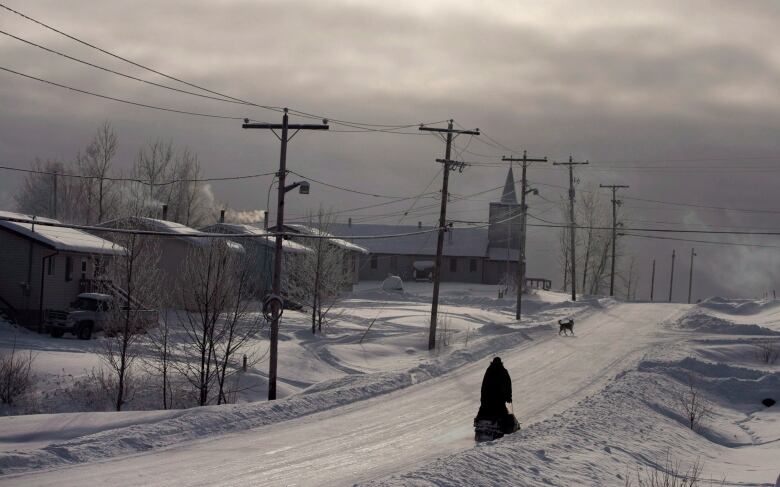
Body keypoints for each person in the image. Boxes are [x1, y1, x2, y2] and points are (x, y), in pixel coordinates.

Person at [476, 357, 512, 421]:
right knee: (499, 410)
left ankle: (483, 422)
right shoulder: (502, 371)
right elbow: (508, 384)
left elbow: (484, 384)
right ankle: (500, 424)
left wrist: (483, 396)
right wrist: (508, 396)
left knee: (487, 409)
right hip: (498, 396)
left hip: (490, 396)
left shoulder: (490, 371)